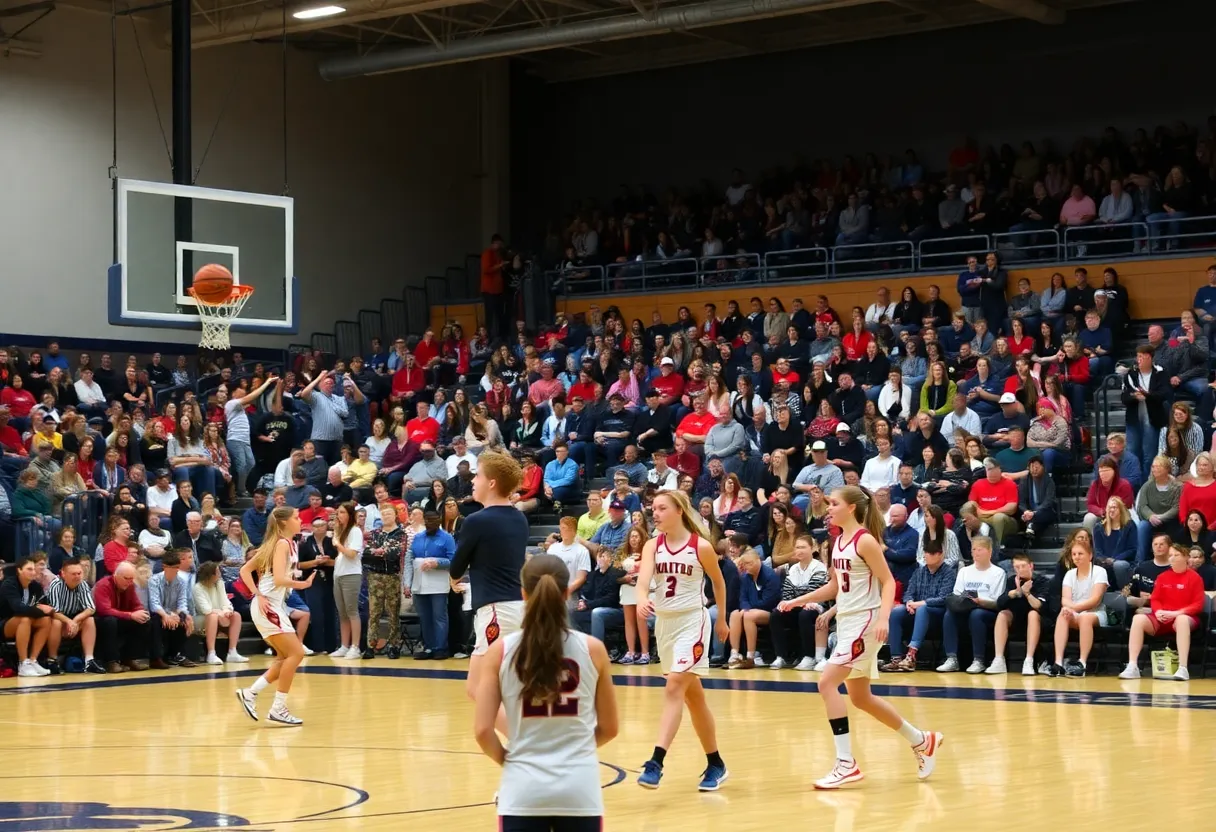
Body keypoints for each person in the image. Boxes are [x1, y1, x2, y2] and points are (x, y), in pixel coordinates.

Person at [776, 485, 941, 789]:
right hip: (849, 620)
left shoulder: (865, 541)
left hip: (865, 622)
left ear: (851, 508)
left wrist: (883, 618)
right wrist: (796, 601)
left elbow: (889, 582)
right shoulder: (837, 542)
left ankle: (846, 763)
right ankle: (922, 740)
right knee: (860, 697)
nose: (828, 508)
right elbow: (833, 589)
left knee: (826, 683)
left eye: (833, 503)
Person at [474, 554, 619, 832]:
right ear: (566, 593)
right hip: (580, 789)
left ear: (523, 594)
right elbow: (610, 728)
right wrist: (576, 750)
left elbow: (482, 730)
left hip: (523, 790)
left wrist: (512, 760)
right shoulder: (594, 649)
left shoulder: (500, 652)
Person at [634, 489, 730, 792]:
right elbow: (643, 580)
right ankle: (716, 763)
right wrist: (639, 599)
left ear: (678, 511)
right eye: (654, 509)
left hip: (693, 621)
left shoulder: (700, 546)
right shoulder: (652, 545)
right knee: (694, 698)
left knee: (675, 685)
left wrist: (723, 619)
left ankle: (656, 761)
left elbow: (718, 581)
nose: (656, 513)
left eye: (662, 508)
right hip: (665, 624)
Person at [450, 451, 531, 734]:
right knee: (495, 686)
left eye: (479, 475)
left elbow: (457, 565)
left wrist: (453, 577)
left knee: (479, 688)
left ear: (493, 483)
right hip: (514, 608)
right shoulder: (519, 519)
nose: (473, 480)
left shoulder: (476, 521)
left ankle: (527, 744)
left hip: (495, 610)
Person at [236, 506, 313, 725]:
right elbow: (279, 579)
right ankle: (278, 708)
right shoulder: (281, 544)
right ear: (284, 523)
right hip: (268, 607)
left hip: (270, 605)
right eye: (296, 518)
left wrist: (257, 593)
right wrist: (303, 583)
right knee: (296, 654)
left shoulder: (279, 544)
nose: (300, 521)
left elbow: (245, 571)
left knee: (284, 658)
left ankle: (250, 694)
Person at [1119, 543, 1204, 681]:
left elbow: (1198, 605)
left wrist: (1177, 614)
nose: (1172, 558)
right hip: (1162, 617)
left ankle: (1183, 668)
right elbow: (1156, 599)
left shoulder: (1195, 578)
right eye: (1170, 555)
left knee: (1181, 620)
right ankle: (1132, 665)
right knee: (1138, 619)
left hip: (1184, 618)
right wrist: (1158, 612)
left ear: (1185, 557)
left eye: (1176, 555)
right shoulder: (1163, 577)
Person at [936, 537, 1005, 674]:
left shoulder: (998, 573)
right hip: (966, 607)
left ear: (989, 552)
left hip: (986, 610)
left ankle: (978, 660)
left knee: (976, 614)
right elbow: (957, 594)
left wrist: (980, 601)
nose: (976, 553)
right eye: (974, 549)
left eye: (980, 549)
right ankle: (951, 658)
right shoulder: (964, 571)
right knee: (950, 614)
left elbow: (997, 602)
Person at [1048, 536, 1109, 678]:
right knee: (1063, 613)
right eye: (1074, 554)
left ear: (1090, 555)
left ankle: (1082, 663)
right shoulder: (1069, 574)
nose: (1076, 557)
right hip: (1075, 613)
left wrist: (1074, 609)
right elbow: (1065, 599)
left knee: (1085, 618)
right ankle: (1058, 662)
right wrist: (1070, 610)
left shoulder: (1100, 571)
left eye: (1080, 554)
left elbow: (1095, 600)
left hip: (1096, 613)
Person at [988, 553, 1049, 676]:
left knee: (1032, 614)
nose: (1020, 569)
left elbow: (1038, 606)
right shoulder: (1012, 581)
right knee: (1002, 614)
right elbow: (999, 603)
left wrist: (1027, 593)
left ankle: (1029, 660)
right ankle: (999, 659)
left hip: (1039, 621)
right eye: (1016, 567)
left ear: (1031, 566)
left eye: (1023, 566)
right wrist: (1015, 592)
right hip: (1017, 619)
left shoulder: (1042, 581)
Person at [46, 556, 103, 674]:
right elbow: (54, 612)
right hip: (57, 620)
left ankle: (89, 661)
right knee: (56, 622)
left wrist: (76, 620)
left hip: (73, 619)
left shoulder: (82, 584)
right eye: (73, 574)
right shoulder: (56, 585)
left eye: (79, 573)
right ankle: (52, 660)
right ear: (63, 574)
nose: (77, 576)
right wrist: (69, 621)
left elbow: (91, 608)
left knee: (89, 620)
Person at [0, 555, 55, 676]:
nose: (33, 572)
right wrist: (40, 610)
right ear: (19, 570)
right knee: (24, 619)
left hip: (27, 621)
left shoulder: (35, 586)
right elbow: (18, 608)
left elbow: (46, 606)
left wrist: (45, 611)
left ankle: (32, 660)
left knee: (46, 621)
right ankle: (23, 663)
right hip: (5, 623)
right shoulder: (9, 584)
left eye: (33, 569)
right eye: (29, 569)